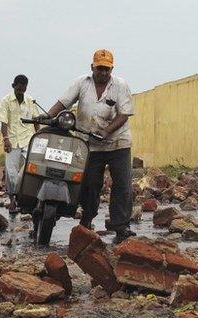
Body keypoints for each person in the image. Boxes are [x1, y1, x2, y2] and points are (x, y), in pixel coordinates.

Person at [44, 49, 136, 243]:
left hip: (118, 142)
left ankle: (121, 226)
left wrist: (106, 131)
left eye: (106, 69)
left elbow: (124, 113)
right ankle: (87, 219)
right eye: (99, 68)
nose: (103, 72)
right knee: (90, 184)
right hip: (90, 144)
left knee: (122, 184)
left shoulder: (120, 85)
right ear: (92, 67)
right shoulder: (82, 83)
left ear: (111, 69)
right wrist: (48, 117)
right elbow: (64, 102)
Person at [0, 74, 39, 212]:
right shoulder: (6, 101)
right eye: (18, 87)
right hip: (12, 142)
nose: (21, 90)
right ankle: (13, 200)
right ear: (13, 86)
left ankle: (33, 199)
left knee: (32, 168)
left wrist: (39, 138)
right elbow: (4, 123)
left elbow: (36, 121)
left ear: (26, 87)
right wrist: (6, 140)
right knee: (11, 173)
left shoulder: (31, 101)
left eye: (23, 88)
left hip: (28, 140)